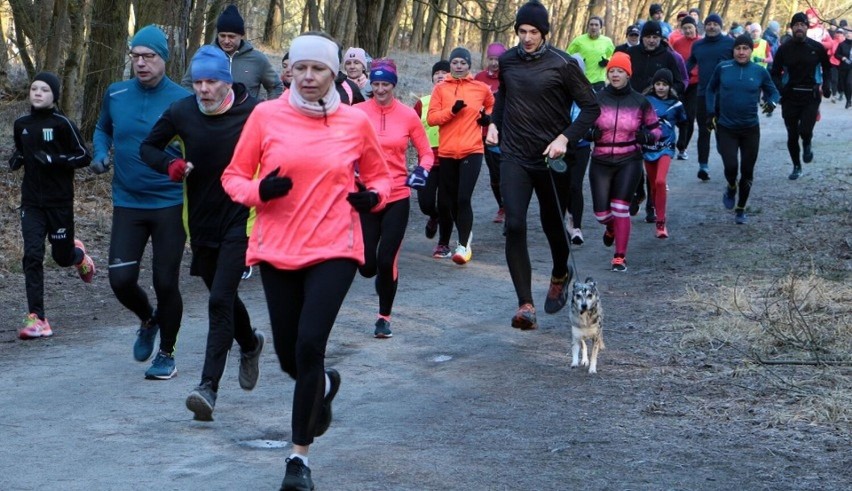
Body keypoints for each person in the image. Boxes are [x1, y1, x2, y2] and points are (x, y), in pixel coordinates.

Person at [220, 32, 392, 491]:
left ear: (334, 74)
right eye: (302, 67)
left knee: (311, 344)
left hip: (335, 246)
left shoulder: (355, 123)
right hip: (278, 247)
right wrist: (260, 192)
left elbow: (381, 179)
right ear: (290, 70)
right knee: (291, 358)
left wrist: (372, 196)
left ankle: (298, 461)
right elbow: (233, 176)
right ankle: (322, 388)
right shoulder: (265, 115)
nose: (310, 76)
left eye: (320, 69)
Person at [140, 46, 263, 420]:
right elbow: (147, 147)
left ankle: (207, 388)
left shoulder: (255, 112)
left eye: (211, 81)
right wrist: (171, 165)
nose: (203, 89)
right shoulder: (182, 111)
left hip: (243, 219)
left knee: (218, 300)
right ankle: (250, 342)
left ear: (228, 82)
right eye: (197, 82)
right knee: (220, 295)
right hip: (201, 221)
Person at [487, 1, 600, 329]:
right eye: (521, 31)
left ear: (544, 33)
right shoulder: (508, 61)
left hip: (553, 159)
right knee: (516, 224)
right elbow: (504, 97)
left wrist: (565, 138)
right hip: (515, 155)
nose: (526, 38)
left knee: (553, 224)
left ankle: (559, 273)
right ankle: (525, 305)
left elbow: (591, 107)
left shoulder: (563, 64)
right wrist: (495, 123)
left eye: (533, 32)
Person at [92, 25, 191, 379]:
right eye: (136, 57)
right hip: (128, 200)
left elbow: (198, 143)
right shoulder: (116, 93)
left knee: (166, 281)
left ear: (164, 59)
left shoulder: (183, 99)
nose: (141, 63)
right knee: (120, 279)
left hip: (169, 202)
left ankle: (167, 352)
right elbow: (102, 127)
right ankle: (148, 319)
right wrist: (101, 152)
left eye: (149, 57)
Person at [354, 59, 434, 338]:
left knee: (387, 260)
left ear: (393, 85)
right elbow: (342, 146)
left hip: (397, 195)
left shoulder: (407, 115)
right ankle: (375, 273)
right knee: (367, 266)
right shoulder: (357, 112)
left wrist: (421, 171)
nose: (379, 89)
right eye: (374, 84)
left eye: (384, 84)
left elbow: (426, 152)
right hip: (367, 195)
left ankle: (383, 317)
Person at [10, 72, 93, 339]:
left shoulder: (62, 124)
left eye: (44, 90)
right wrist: (17, 159)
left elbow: (83, 156)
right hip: (32, 202)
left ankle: (77, 255)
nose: (37, 93)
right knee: (32, 255)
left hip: (59, 202)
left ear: (54, 95)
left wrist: (55, 160)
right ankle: (37, 317)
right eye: (34, 88)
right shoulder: (21, 123)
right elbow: (21, 151)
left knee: (61, 257)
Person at [586, 52, 660, 272]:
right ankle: (610, 228)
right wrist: (591, 133)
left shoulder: (640, 101)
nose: (615, 74)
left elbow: (656, 130)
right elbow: (582, 126)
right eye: (612, 71)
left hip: (629, 159)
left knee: (620, 208)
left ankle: (619, 256)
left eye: (620, 71)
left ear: (628, 74)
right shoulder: (597, 98)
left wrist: (646, 137)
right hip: (600, 159)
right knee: (601, 213)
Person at [427, 46, 494, 265]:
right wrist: (452, 111)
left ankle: (464, 246)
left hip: (472, 150)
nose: (458, 66)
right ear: (450, 65)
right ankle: (448, 240)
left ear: (468, 65)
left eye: (462, 63)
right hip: (447, 151)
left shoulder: (480, 88)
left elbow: (492, 106)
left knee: (463, 198)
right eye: (454, 63)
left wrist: (487, 120)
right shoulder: (441, 89)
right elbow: (432, 119)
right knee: (447, 202)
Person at [707, 34, 780, 224]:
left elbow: (773, 91)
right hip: (726, 127)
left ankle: (741, 208)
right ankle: (731, 185)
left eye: (745, 48)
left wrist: (771, 101)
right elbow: (710, 89)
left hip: (750, 129)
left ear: (751, 50)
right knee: (731, 166)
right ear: (733, 50)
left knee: (747, 170)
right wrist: (709, 112)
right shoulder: (723, 68)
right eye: (738, 48)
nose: (741, 52)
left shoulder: (758, 71)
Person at [770, 12, 833, 180]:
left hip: (810, 95)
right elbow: (774, 72)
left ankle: (807, 142)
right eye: (796, 25)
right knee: (792, 134)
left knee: (805, 129)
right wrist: (780, 88)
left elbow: (827, 68)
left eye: (802, 24)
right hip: (790, 95)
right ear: (791, 28)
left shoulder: (816, 47)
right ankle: (796, 166)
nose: (799, 27)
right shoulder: (784, 49)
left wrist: (826, 86)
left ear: (807, 27)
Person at [181, 5, 282, 101]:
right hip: (208, 116)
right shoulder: (204, 55)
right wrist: (197, 106)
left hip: (245, 117)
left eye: (231, 36)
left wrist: (268, 110)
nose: (226, 41)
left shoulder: (258, 59)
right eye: (222, 35)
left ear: (241, 36)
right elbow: (187, 84)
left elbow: (276, 86)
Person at [686, 13, 734, 181]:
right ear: (704, 26)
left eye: (715, 24)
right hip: (703, 94)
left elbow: (740, 63)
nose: (712, 27)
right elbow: (689, 64)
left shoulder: (730, 44)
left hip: (725, 96)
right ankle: (703, 167)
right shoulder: (698, 45)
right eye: (709, 24)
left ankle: (729, 163)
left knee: (723, 132)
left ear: (721, 26)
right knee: (704, 131)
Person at [414, 60, 453, 257]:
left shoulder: (458, 101)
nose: (440, 75)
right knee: (426, 203)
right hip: (427, 159)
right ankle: (433, 216)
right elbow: (410, 127)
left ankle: (443, 244)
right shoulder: (423, 102)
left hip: (450, 158)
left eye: (445, 73)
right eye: (437, 72)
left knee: (447, 203)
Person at [641, 69, 686, 238]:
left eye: (664, 85)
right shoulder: (645, 101)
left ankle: (661, 223)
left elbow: (684, 123)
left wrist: (682, 142)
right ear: (653, 85)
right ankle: (655, 208)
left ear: (670, 86)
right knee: (653, 185)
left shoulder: (676, 104)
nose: (660, 88)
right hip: (648, 148)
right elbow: (637, 122)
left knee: (660, 181)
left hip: (666, 147)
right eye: (658, 84)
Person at [474, 43, 508, 222]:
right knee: (495, 174)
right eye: (491, 59)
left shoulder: (508, 76)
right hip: (486, 132)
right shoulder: (479, 77)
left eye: (498, 59)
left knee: (508, 172)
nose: (494, 63)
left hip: (508, 132)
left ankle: (511, 206)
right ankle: (502, 206)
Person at [671, 15, 701, 160]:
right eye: (685, 28)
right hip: (681, 84)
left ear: (695, 27)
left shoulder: (701, 43)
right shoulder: (677, 43)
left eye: (690, 27)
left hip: (696, 84)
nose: (688, 30)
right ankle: (675, 141)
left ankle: (682, 146)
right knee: (677, 115)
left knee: (689, 116)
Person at [567, 16, 615, 91]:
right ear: (588, 26)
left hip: (599, 80)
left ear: (601, 27)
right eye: (591, 24)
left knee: (597, 102)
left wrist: (607, 61)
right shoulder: (578, 40)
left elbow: (613, 56)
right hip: (581, 79)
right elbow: (567, 55)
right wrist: (576, 63)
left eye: (596, 25)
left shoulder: (607, 41)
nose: (593, 27)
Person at [834, 28, 852, 108]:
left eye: (850, 33)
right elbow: (836, 54)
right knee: (845, 84)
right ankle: (848, 100)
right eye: (847, 33)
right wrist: (843, 58)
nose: (849, 34)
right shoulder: (842, 44)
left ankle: (849, 100)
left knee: (849, 83)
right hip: (844, 67)